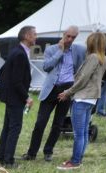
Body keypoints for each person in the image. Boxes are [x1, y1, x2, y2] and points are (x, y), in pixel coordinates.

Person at [23, 26, 84, 162]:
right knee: (40, 123)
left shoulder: (79, 50)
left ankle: (48, 151)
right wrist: (60, 51)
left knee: (58, 124)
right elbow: (46, 67)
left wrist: (73, 85)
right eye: (68, 36)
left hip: (67, 89)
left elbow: (80, 68)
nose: (70, 39)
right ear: (64, 34)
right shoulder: (51, 49)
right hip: (51, 89)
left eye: (73, 37)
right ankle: (32, 153)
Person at [56, 32, 106, 170]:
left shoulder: (93, 57)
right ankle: (78, 158)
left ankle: (75, 161)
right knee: (83, 132)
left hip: (82, 97)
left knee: (79, 133)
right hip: (91, 98)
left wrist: (68, 92)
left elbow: (83, 78)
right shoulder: (103, 58)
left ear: (92, 42)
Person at [0, 26, 36, 167]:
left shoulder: (16, 51)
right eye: (34, 34)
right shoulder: (20, 54)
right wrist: (27, 97)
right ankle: (8, 160)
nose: (36, 37)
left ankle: (1, 158)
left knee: (7, 128)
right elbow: (17, 81)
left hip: (11, 97)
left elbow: (1, 73)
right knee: (14, 129)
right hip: (16, 98)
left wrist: (6, 90)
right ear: (27, 36)